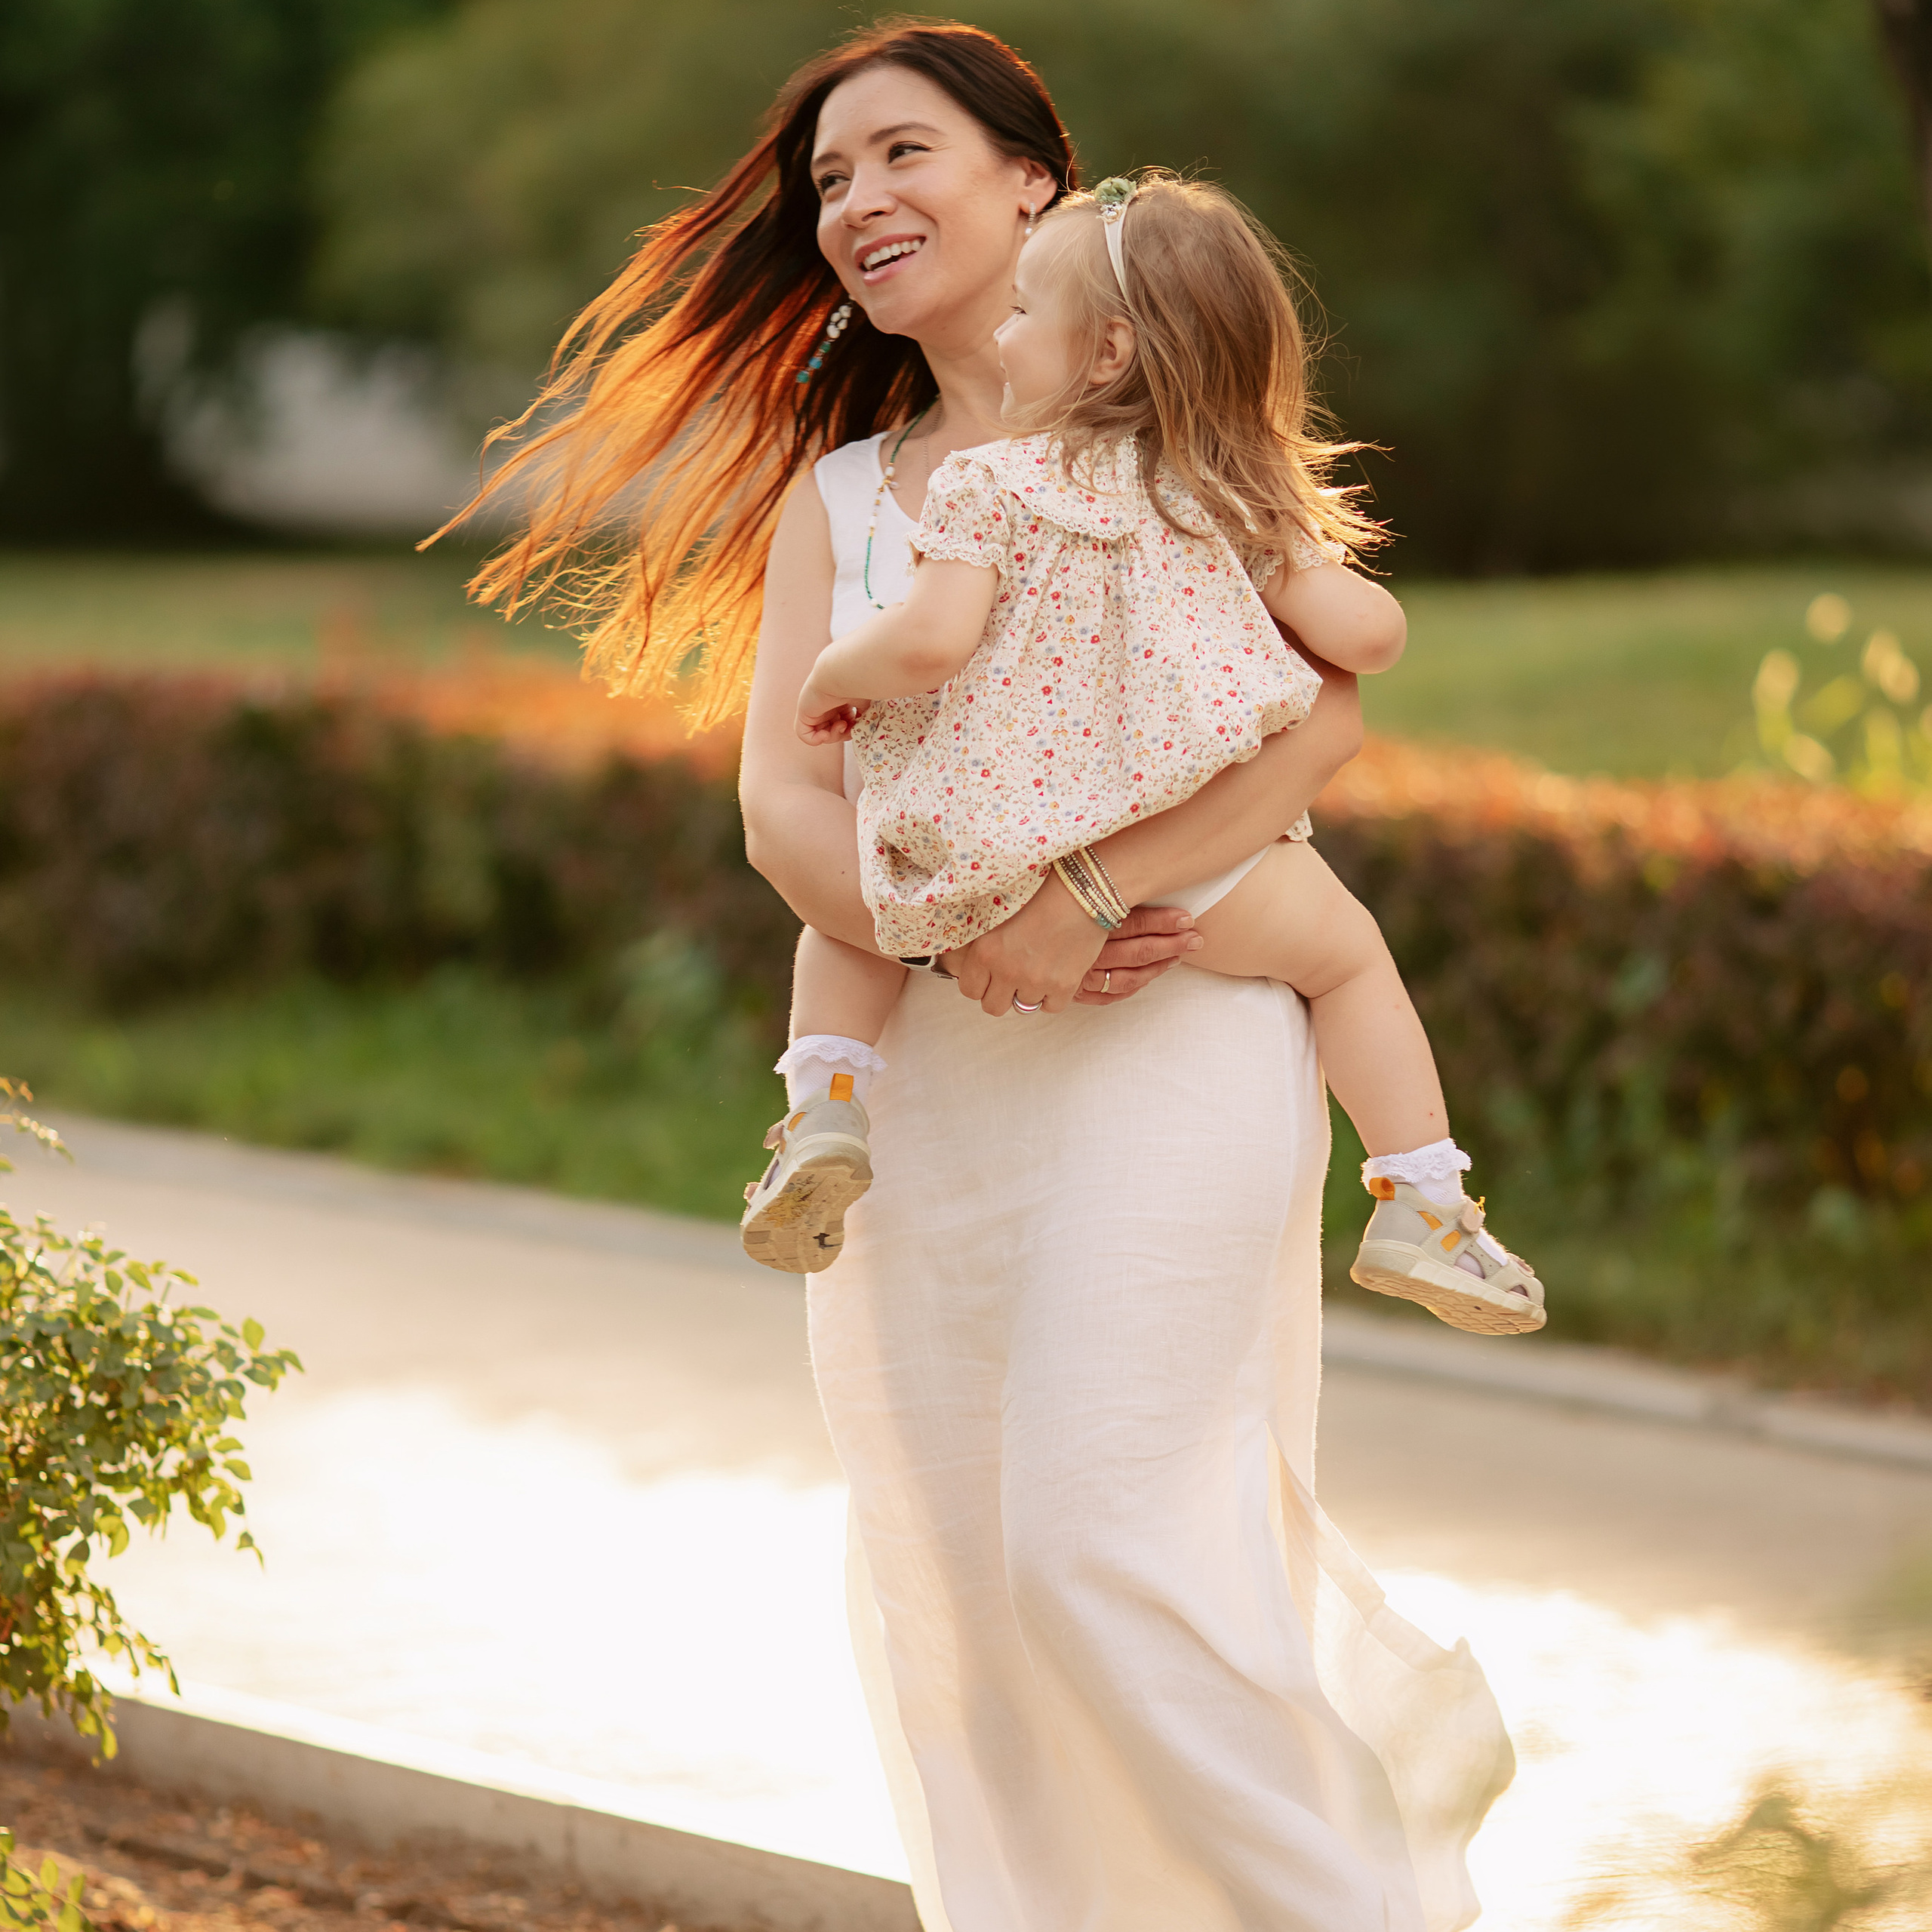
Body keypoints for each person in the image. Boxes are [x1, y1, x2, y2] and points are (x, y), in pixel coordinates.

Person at [449, 21, 1515, 1931]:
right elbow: (786, 798)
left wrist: (1083, 892)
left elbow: (1319, 721)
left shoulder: (1174, 443)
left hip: (1170, 1031)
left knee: (1102, 1543)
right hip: (922, 1093)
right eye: (827, 182)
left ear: (1034, 176)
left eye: (898, 155)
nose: (855, 203)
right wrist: (959, 922)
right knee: (954, 1598)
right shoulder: (850, 505)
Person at [738, 171, 1547, 1343]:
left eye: (1023, 313)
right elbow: (1370, 638)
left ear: (1107, 350)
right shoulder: (1220, 495)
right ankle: (1421, 1196)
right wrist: (1297, 562)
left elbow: (926, 644)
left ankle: (825, 1108)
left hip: (989, 828)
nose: (1002, 335)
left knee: (858, 905)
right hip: (1185, 854)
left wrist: (830, 678)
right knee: (1351, 962)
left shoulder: (985, 482)